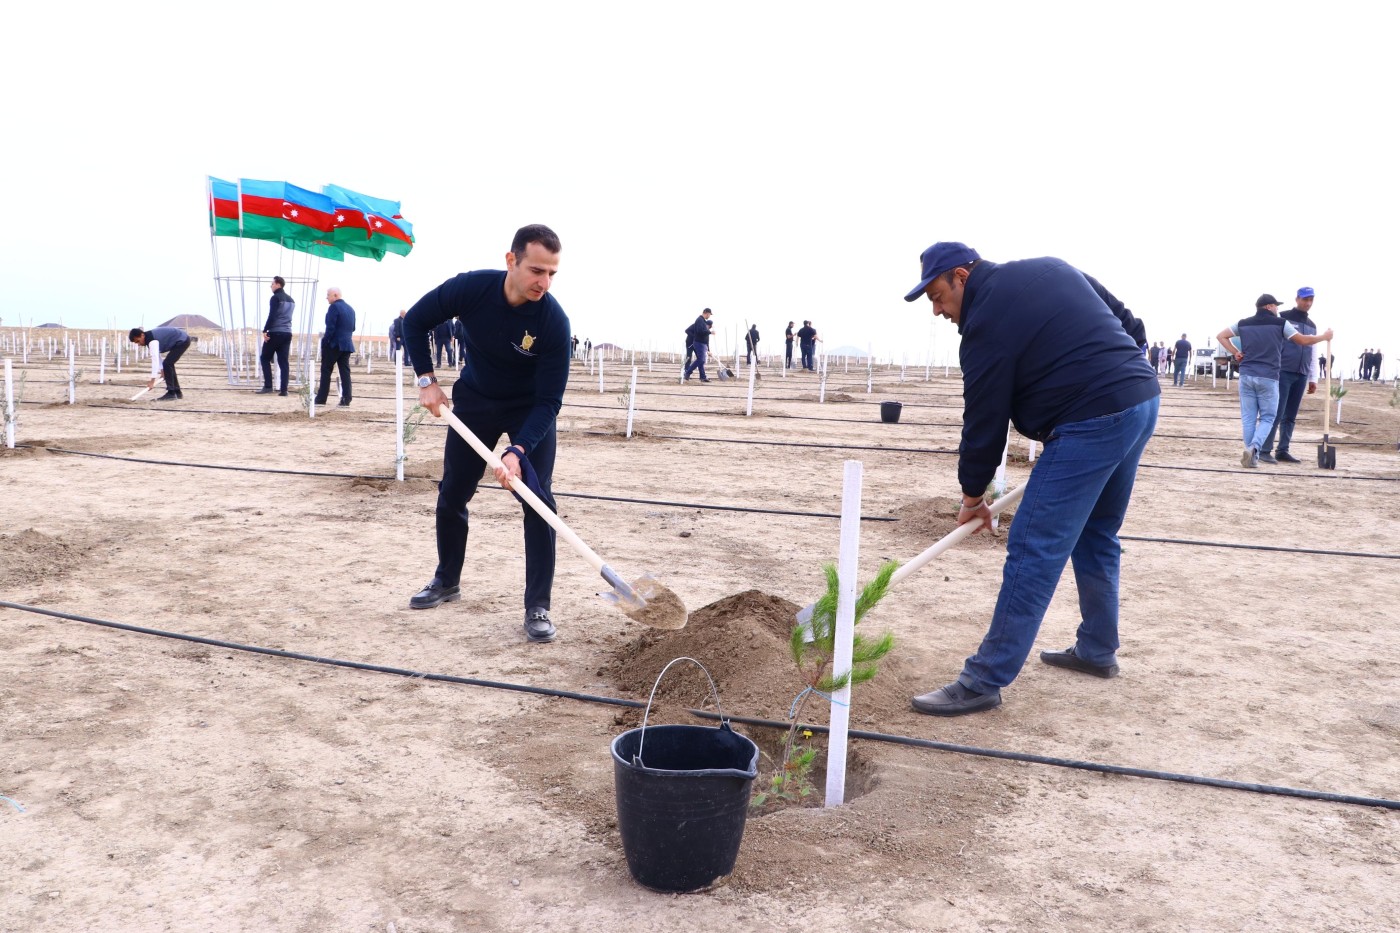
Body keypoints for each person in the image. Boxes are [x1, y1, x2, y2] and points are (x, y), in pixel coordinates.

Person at [901, 242, 1160, 717]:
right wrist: (1121, 371)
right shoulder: (1052, 268)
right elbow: (1130, 322)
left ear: (961, 276)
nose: (936, 310)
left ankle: (983, 679)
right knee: (1097, 532)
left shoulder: (984, 326)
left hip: (1092, 420)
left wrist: (971, 496)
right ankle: (1097, 649)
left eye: (938, 296)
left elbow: (984, 419)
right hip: (1141, 399)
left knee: (1032, 544)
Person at [401, 224, 570, 644]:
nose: (543, 282)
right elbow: (417, 321)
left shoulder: (553, 322)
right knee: (453, 492)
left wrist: (518, 449)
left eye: (551, 273)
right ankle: (446, 580)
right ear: (511, 260)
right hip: (475, 401)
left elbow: (549, 401)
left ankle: (537, 605)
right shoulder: (471, 289)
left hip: (529, 411)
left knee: (537, 501)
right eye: (536, 270)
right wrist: (427, 380)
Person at [1217, 294, 1332, 468]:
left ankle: (1251, 455)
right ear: (1269, 306)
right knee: (1268, 417)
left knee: (1248, 418)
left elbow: (1221, 336)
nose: (1278, 309)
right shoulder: (1280, 324)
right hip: (1268, 376)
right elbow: (1302, 340)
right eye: (1276, 306)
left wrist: (1235, 352)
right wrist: (1324, 337)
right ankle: (1255, 448)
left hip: (1246, 375)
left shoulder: (1243, 323)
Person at [1259, 288, 1321, 464]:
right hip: (1282, 371)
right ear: (1297, 299)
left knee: (1291, 415)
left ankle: (1283, 449)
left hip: (1301, 373)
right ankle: (1265, 449)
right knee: (1276, 411)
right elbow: (1271, 342)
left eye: (1311, 300)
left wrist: (1313, 378)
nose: (1307, 303)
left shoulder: (1312, 325)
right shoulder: (1282, 318)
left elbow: (1313, 351)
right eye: (1305, 299)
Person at [314, 287, 357, 407]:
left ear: (335, 295)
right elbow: (353, 328)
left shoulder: (333, 307)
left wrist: (325, 341)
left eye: (328, 295)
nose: (326, 297)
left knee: (326, 370)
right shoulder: (351, 309)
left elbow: (330, 327)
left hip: (334, 344)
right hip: (347, 344)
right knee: (345, 372)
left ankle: (321, 399)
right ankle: (346, 399)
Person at [128, 325, 191, 402]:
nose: (139, 344)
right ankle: (177, 392)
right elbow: (158, 356)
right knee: (168, 364)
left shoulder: (152, 341)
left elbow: (155, 361)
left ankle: (171, 393)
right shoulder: (149, 339)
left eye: (138, 341)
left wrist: (152, 381)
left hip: (182, 340)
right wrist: (162, 371)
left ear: (142, 335)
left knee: (168, 364)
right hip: (182, 339)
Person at [257, 276, 295, 396]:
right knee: (283, 362)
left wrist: (265, 330)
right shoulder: (291, 300)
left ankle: (268, 386)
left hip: (275, 332)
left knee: (264, 358)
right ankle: (284, 390)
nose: (271, 286)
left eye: (272, 284)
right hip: (287, 333)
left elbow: (272, 315)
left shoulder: (275, 298)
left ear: (278, 284)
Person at [683, 308, 713, 382]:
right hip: (693, 343)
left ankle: (702, 376)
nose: (709, 316)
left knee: (701, 360)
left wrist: (708, 350)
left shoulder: (703, 323)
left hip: (699, 343)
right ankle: (687, 372)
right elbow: (698, 331)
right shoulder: (699, 321)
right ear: (706, 313)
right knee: (692, 358)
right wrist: (694, 337)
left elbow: (706, 341)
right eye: (709, 314)